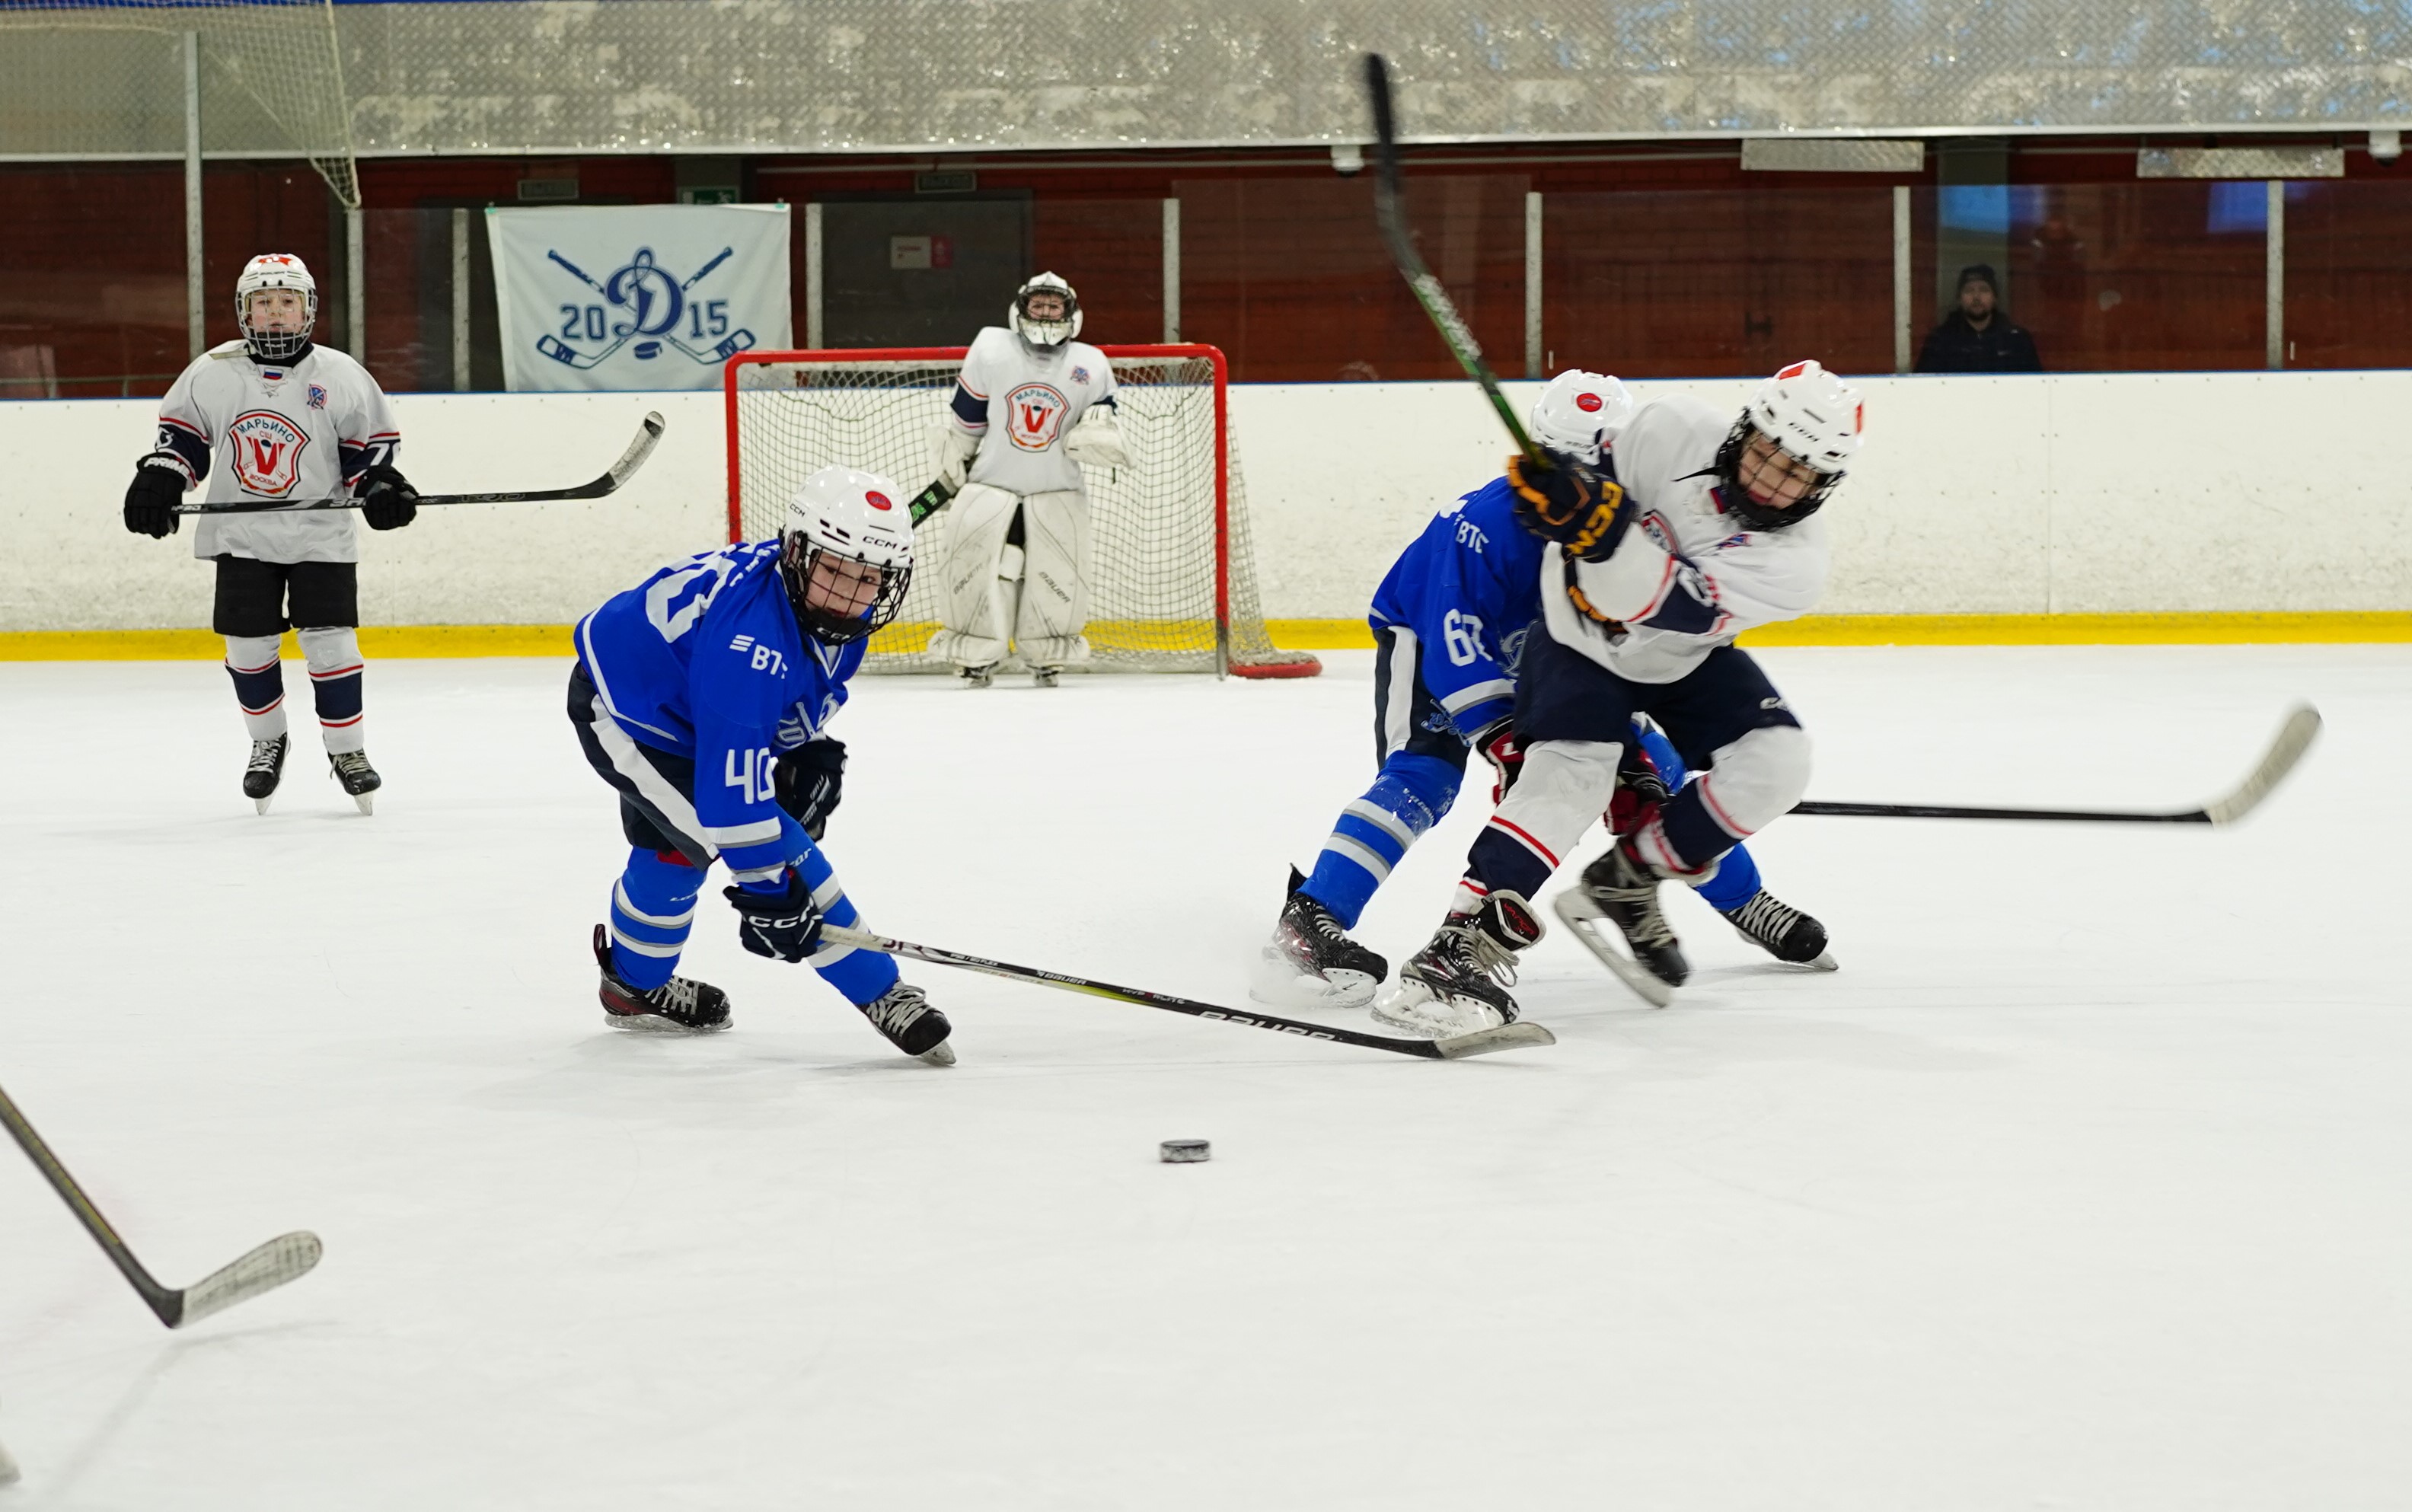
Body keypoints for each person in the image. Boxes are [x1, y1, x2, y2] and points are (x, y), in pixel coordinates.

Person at [1251, 370, 1833, 1013]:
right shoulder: (1489, 525)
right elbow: (1454, 637)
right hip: (1430, 642)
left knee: (1653, 778)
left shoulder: (1634, 514)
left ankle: (1745, 900)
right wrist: (1503, 737)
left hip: (1554, 652)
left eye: (1599, 471)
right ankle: (1312, 918)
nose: (1585, 487)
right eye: (1569, 467)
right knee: (1425, 776)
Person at [566, 464, 955, 1063]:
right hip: (628, 711)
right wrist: (771, 892)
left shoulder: (825, 609)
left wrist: (804, 747)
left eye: (868, 577)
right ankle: (882, 990)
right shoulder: (752, 643)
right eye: (833, 569)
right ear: (796, 551)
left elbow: (778, 701)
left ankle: (632, 985)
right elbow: (735, 806)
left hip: (688, 700)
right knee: (763, 838)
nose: (849, 593)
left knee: (677, 847)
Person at [120, 252, 417, 815]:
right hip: (242, 535)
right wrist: (159, 477)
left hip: (318, 532)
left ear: (307, 310)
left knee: (332, 644)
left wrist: (380, 485)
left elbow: (367, 454)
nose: (275, 314)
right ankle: (267, 741)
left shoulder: (341, 375)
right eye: (263, 303)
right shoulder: (213, 371)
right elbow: (183, 442)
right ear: (244, 311)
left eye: (287, 302)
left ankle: (347, 751)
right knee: (248, 647)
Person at [926, 272, 1131, 687]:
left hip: (1057, 489)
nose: (1046, 312)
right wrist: (956, 465)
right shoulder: (991, 348)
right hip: (992, 483)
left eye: (1054, 306)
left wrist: (1101, 428)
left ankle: (1047, 654)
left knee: (1054, 574)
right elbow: (968, 420)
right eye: (1038, 305)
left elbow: (1102, 430)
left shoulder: (1090, 364)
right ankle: (978, 654)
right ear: (1021, 310)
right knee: (986, 570)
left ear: (1070, 312)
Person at [1915, 263, 2042, 374]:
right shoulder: (1940, 340)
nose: (1976, 297)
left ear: (1995, 297)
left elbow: (2036, 387)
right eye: (1969, 290)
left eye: (1984, 290)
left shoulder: (2017, 340)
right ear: (1959, 299)